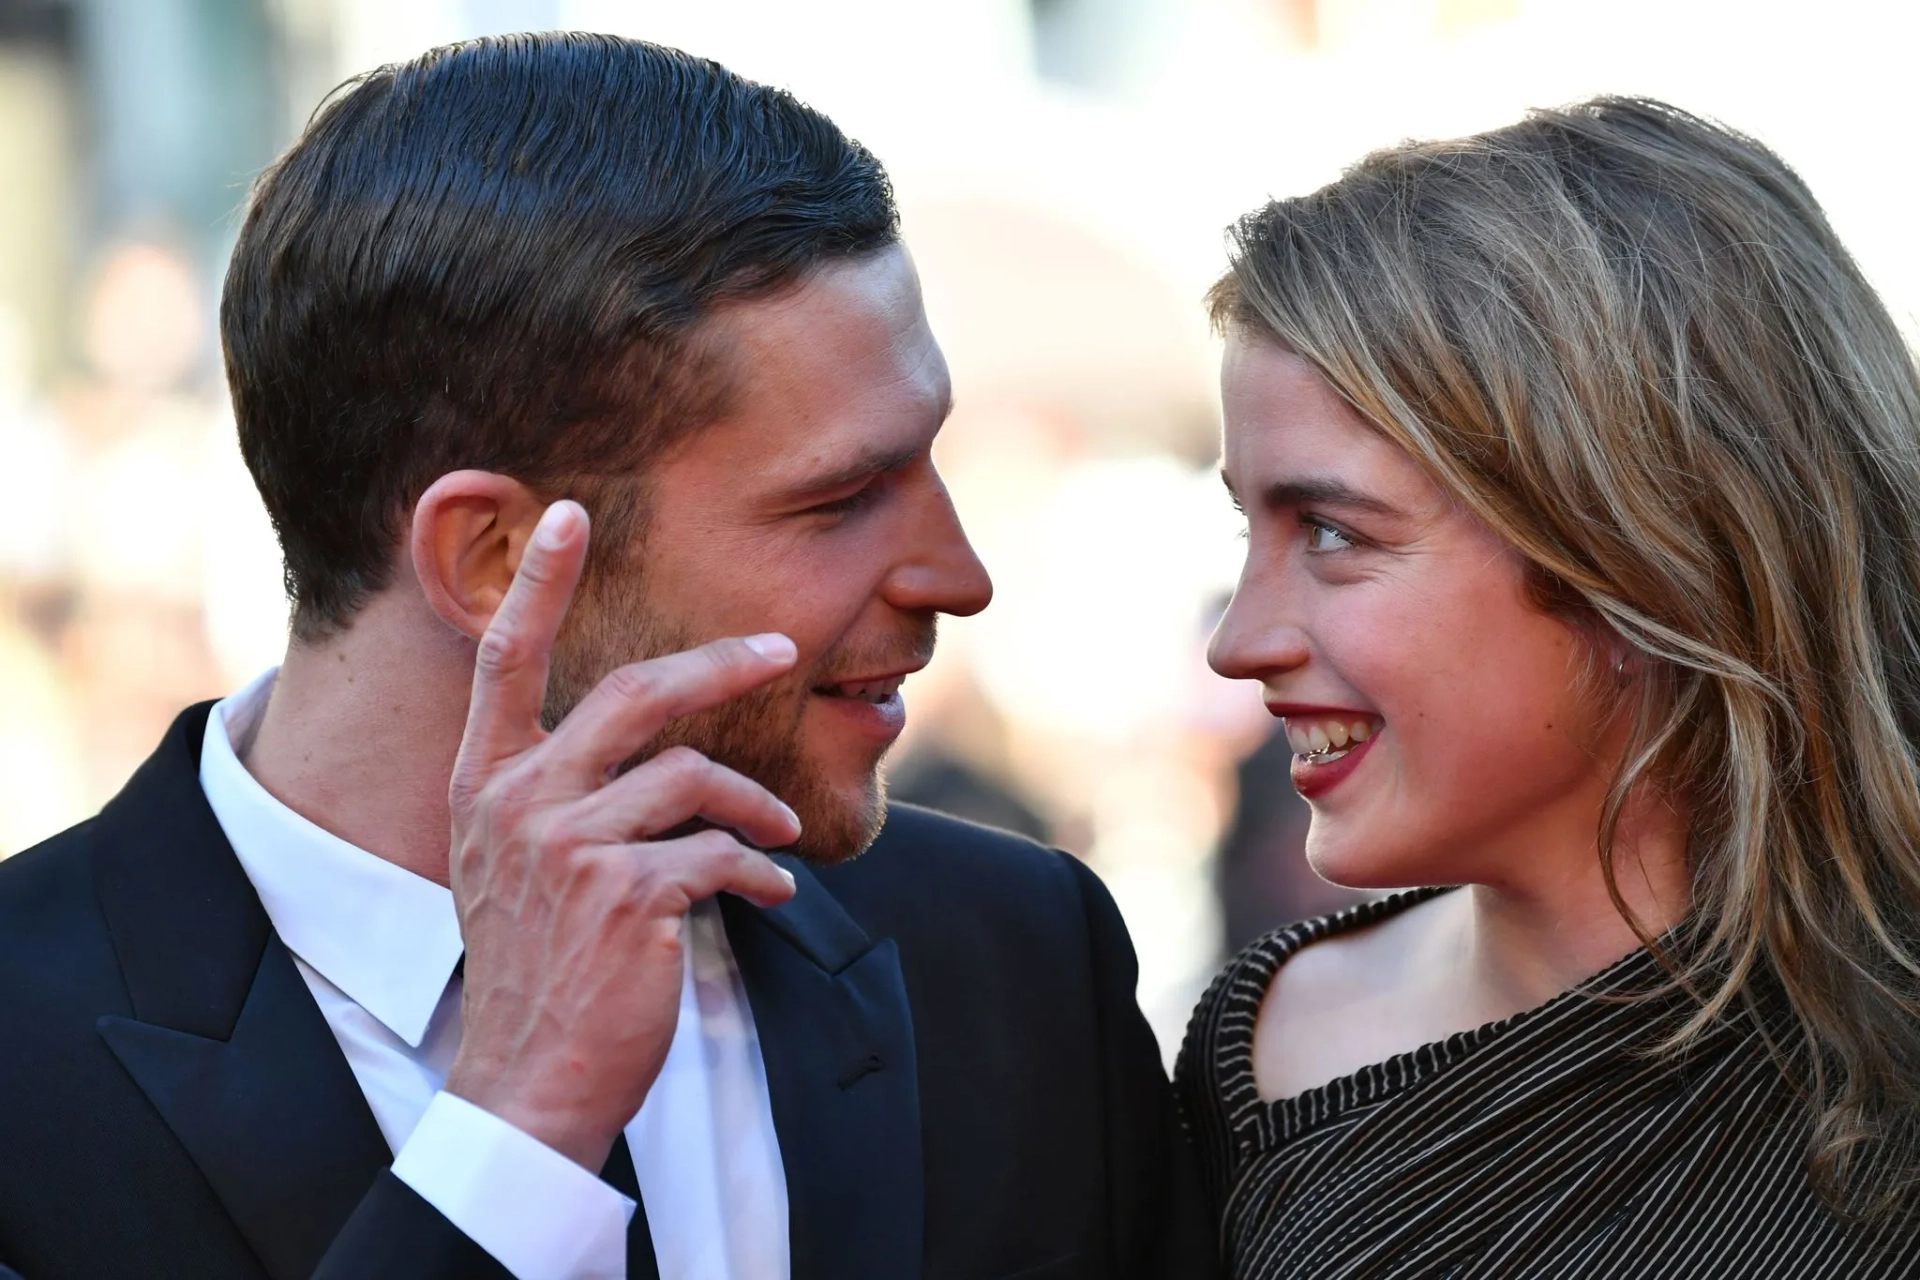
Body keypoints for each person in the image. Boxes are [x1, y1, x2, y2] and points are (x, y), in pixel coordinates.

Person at [0, 33, 1213, 1280]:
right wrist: (514, 1136)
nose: (960, 574)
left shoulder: (1012, 958)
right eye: (841, 498)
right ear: (496, 556)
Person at [1176, 97, 1920, 1277]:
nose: (1239, 639)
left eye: (1328, 531)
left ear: (1640, 554)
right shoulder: (1264, 1046)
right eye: (1248, 526)